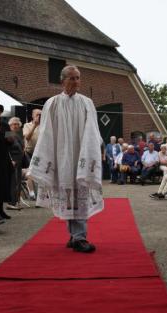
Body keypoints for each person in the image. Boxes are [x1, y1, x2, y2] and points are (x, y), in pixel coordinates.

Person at [28, 65, 103, 253]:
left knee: (80, 192)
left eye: (78, 78)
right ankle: (74, 235)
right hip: (62, 157)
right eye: (72, 78)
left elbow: (93, 132)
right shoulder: (52, 104)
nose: (76, 81)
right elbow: (45, 133)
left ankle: (79, 237)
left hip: (81, 155)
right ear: (63, 81)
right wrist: (48, 156)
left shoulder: (87, 103)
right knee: (68, 194)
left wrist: (91, 153)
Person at [23, 108, 41, 200]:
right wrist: (34, 125)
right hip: (29, 152)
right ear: (33, 116)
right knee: (31, 172)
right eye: (37, 115)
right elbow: (27, 137)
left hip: (40, 153)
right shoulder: (27, 125)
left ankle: (40, 194)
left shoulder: (44, 126)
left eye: (40, 115)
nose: (39, 116)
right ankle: (32, 193)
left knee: (40, 172)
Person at [7, 117, 25, 210]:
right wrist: (10, 160)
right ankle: (11, 202)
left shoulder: (18, 135)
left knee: (18, 181)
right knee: (13, 182)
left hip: (19, 161)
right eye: (13, 124)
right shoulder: (8, 134)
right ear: (10, 125)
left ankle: (16, 201)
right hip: (13, 161)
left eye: (17, 124)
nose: (16, 126)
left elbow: (22, 148)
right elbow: (6, 149)